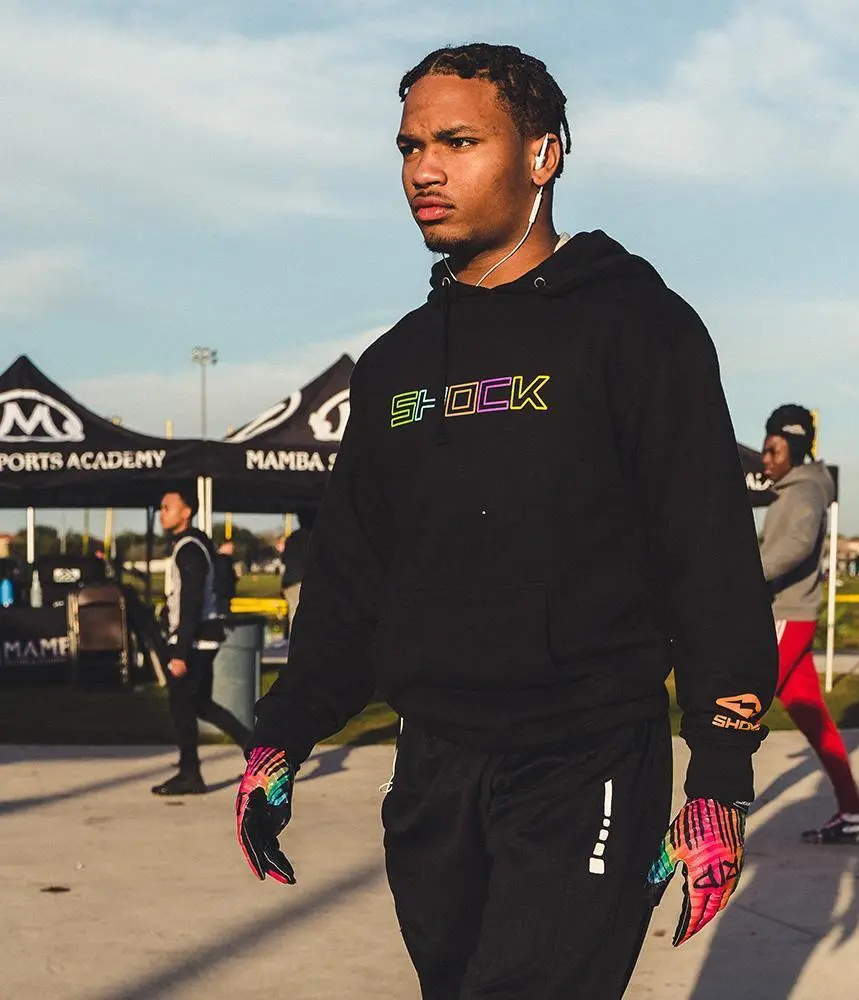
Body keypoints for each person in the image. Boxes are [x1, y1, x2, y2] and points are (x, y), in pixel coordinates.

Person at [235, 44, 777, 999]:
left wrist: (720, 776)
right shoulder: (398, 363)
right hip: (433, 769)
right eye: (410, 147)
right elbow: (354, 569)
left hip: (586, 756)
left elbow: (708, 554)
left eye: (458, 142)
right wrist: (283, 732)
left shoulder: (637, 326)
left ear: (543, 155)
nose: (424, 171)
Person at [760, 404, 859, 845]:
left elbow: (797, 545)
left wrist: (742, 574)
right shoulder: (792, 489)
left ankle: (704, 831)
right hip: (793, 615)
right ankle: (853, 814)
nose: (766, 459)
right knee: (816, 722)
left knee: (733, 711)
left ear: (794, 447)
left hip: (787, 617)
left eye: (773, 449)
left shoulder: (804, 490)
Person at [153, 487, 250, 796]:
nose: (161, 513)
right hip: (200, 637)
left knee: (181, 704)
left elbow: (192, 601)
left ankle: (190, 773)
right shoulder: (191, 544)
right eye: (161, 508)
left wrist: (180, 652)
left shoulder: (189, 549)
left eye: (168, 507)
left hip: (195, 641)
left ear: (187, 512)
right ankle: (258, 751)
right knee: (200, 704)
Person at [279, 509, 315, 629]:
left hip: (289, 581)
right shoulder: (309, 537)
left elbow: (284, 559)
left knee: (294, 614)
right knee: (299, 616)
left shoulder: (292, 537)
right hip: (300, 581)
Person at [214, 539, 238, 614]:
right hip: (223, 594)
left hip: (221, 594)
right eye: (231, 545)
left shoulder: (216, 558)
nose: (233, 548)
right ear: (224, 545)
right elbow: (225, 576)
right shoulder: (223, 560)